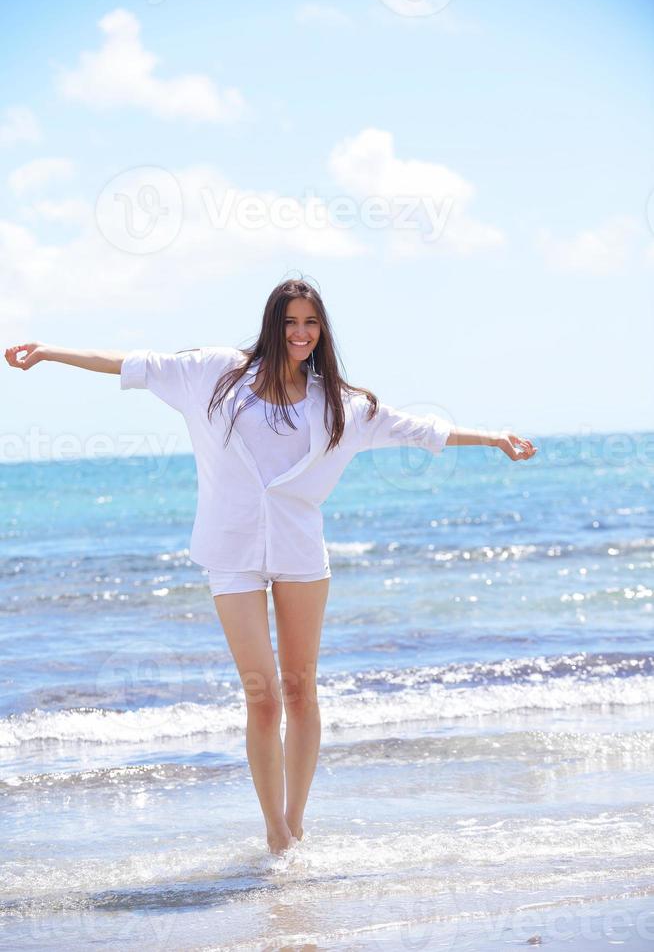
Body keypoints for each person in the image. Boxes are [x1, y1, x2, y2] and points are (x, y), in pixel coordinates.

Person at [4, 277, 537, 855]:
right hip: (229, 550)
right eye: (290, 323)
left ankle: (297, 819)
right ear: (272, 325)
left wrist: (493, 437)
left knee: (300, 688)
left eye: (311, 323)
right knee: (262, 694)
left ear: (322, 331)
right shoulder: (214, 373)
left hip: (300, 550)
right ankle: (274, 830)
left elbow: (418, 428)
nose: (301, 334)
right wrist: (52, 352)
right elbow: (133, 363)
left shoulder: (340, 404)